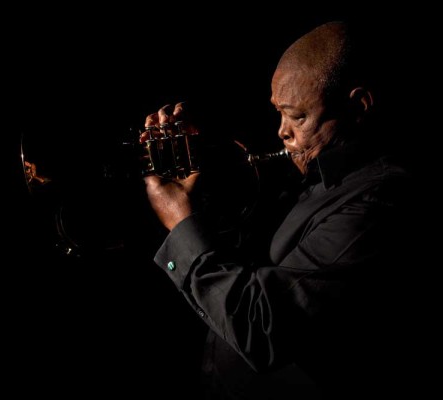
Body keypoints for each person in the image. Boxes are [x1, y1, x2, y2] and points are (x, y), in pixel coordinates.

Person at [140, 21, 418, 398]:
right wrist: (195, 178)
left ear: (358, 106)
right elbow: (246, 263)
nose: (281, 133)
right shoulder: (312, 176)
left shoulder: (378, 202)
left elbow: (261, 326)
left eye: (298, 116)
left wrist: (179, 221)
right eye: (279, 113)